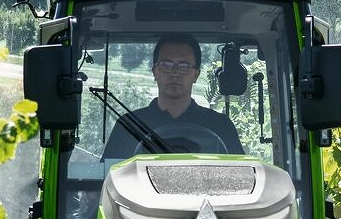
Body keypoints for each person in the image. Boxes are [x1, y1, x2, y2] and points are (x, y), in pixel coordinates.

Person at [102, 33, 245, 159]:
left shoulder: (220, 126)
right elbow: (107, 180)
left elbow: (242, 181)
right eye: (166, 64)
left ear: (196, 74)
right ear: (155, 71)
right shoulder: (129, 127)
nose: (175, 73)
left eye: (184, 66)